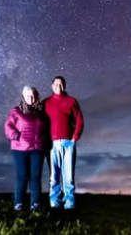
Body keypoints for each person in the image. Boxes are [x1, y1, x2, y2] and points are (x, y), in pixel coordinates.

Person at [4, 86, 49, 212]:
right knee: (22, 176)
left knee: (35, 177)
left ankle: (35, 203)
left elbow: (45, 129)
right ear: (23, 96)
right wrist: (16, 136)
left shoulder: (41, 112)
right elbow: (8, 126)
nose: (31, 98)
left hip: (37, 149)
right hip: (20, 149)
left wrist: (43, 141)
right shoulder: (16, 111)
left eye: (33, 95)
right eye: (28, 95)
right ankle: (19, 203)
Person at [44, 75, 85, 210]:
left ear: (64, 86)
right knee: (54, 176)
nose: (58, 86)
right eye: (55, 84)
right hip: (52, 145)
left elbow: (79, 120)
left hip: (68, 143)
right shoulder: (46, 103)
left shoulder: (71, 101)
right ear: (52, 86)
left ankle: (69, 203)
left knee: (68, 176)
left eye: (61, 84)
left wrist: (74, 138)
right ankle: (55, 201)